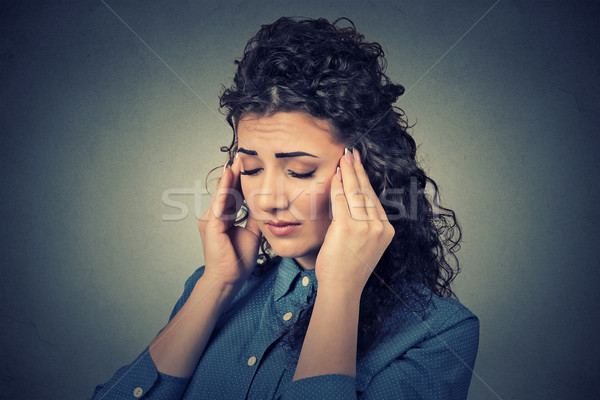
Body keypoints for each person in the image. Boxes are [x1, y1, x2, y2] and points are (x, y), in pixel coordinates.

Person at [91, 17, 479, 400]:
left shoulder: (438, 334)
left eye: (299, 171)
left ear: (367, 172)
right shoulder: (213, 287)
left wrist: (339, 292)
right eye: (253, 168)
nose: (267, 198)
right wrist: (218, 284)